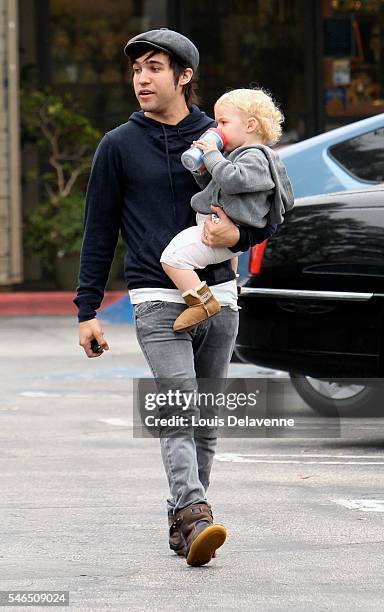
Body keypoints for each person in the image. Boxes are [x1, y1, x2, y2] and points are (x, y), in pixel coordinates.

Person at [74, 28, 277, 567]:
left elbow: (267, 206)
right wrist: (87, 310)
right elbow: (99, 229)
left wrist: (241, 239)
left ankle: (187, 522)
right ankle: (194, 512)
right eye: (137, 68)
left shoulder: (222, 135)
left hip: (221, 295)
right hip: (156, 297)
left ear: (184, 76)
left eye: (155, 67)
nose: (142, 78)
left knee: (205, 418)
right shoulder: (118, 145)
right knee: (177, 406)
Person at [160, 88, 294, 332]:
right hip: (221, 228)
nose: (217, 129)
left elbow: (233, 180)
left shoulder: (255, 157)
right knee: (227, 262)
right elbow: (218, 186)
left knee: (172, 258)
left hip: (219, 231)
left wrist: (212, 154)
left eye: (223, 121)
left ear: (251, 125)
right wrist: (202, 168)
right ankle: (231, 283)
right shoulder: (237, 155)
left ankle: (200, 303)